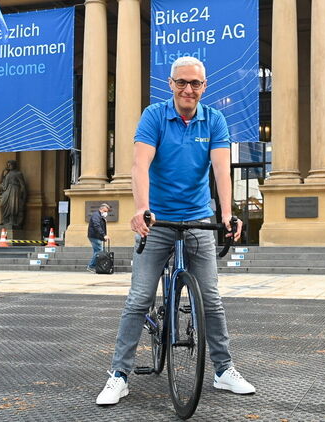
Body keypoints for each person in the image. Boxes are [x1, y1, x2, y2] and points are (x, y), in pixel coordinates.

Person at [96, 56, 255, 405]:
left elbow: (222, 171)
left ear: (204, 87)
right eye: (181, 82)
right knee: (139, 299)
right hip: (158, 220)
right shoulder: (154, 116)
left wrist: (227, 213)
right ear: (170, 84)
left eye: (195, 84)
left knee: (211, 299)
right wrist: (141, 208)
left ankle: (223, 370)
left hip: (198, 218)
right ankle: (119, 375)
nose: (188, 89)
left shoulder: (214, 120)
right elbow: (140, 165)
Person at [0, 160, 27, 228]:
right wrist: (3, 172)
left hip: (14, 190)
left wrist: (23, 195)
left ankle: (12, 221)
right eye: (8, 165)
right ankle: (5, 220)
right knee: (2, 204)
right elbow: (1, 182)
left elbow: (22, 185)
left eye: (10, 165)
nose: (9, 166)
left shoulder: (18, 173)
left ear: (14, 165)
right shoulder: (7, 174)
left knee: (13, 206)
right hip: (7, 190)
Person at [86, 203, 111, 273]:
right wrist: (104, 235)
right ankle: (91, 266)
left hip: (95, 236)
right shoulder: (96, 215)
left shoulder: (99, 216)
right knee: (99, 251)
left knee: (96, 251)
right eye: (105, 211)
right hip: (94, 236)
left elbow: (100, 226)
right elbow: (97, 226)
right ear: (101, 209)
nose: (106, 213)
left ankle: (94, 267)